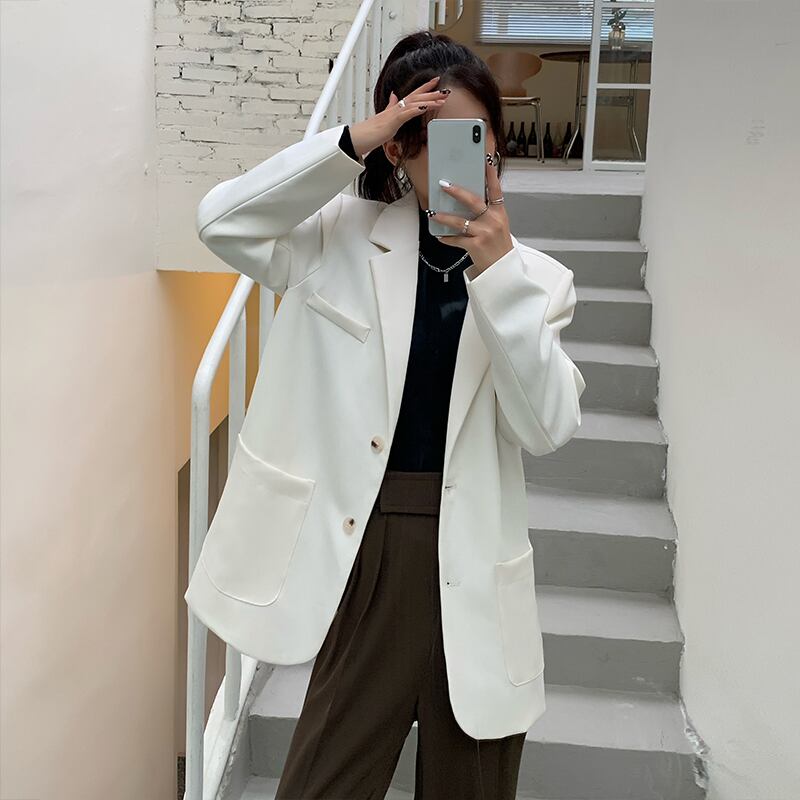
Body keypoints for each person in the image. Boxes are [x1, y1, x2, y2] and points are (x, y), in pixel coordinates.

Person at [185, 29, 586, 800]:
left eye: (481, 137)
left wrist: (498, 275)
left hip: (475, 558)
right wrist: (354, 139)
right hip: (369, 549)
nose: (472, 158)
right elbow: (222, 221)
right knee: (322, 784)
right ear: (400, 149)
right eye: (440, 139)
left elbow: (547, 427)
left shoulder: (538, 282)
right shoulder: (335, 238)